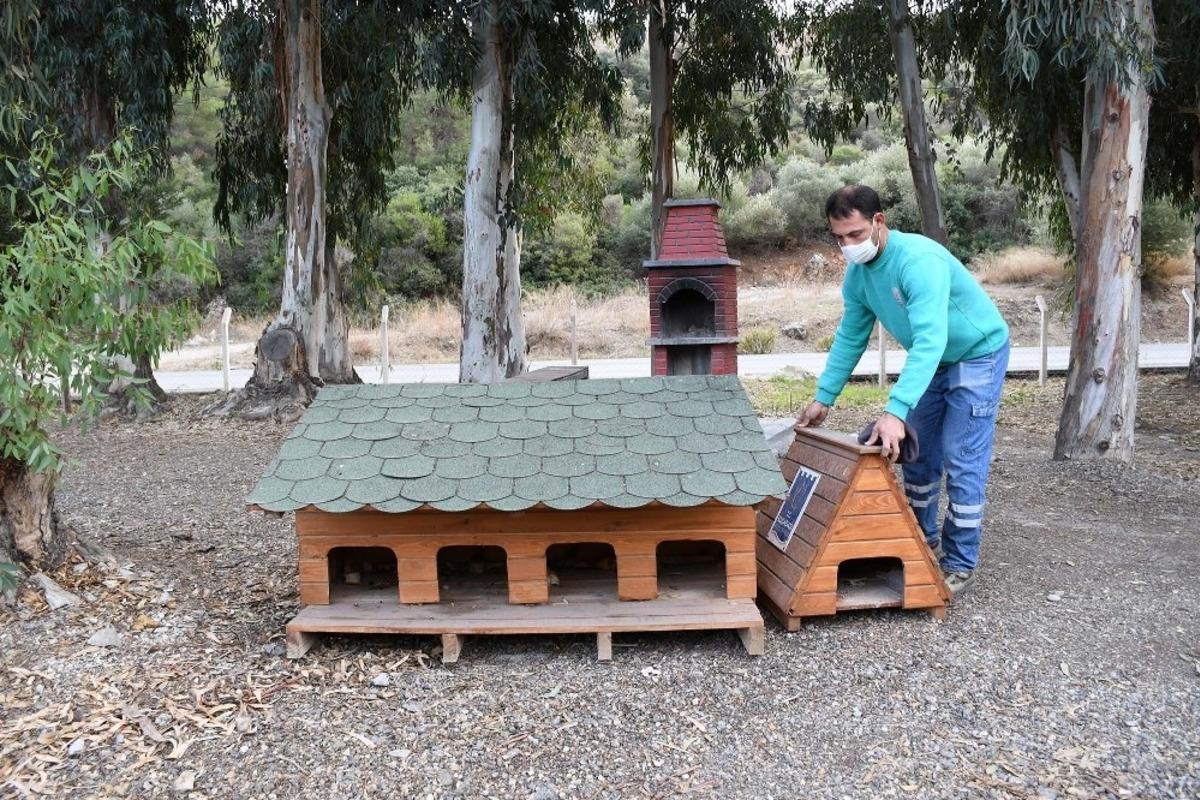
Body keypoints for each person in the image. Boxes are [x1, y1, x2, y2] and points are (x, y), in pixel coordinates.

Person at [798, 185, 1010, 596]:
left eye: (855, 234)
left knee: (961, 457)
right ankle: (920, 541)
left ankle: (959, 564)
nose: (848, 246)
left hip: (976, 355)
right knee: (916, 452)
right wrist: (824, 397)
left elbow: (931, 339)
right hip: (931, 361)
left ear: (880, 221)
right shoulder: (858, 276)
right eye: (839, 238)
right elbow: (850, 336)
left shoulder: (919, 261)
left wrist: (894, 410)